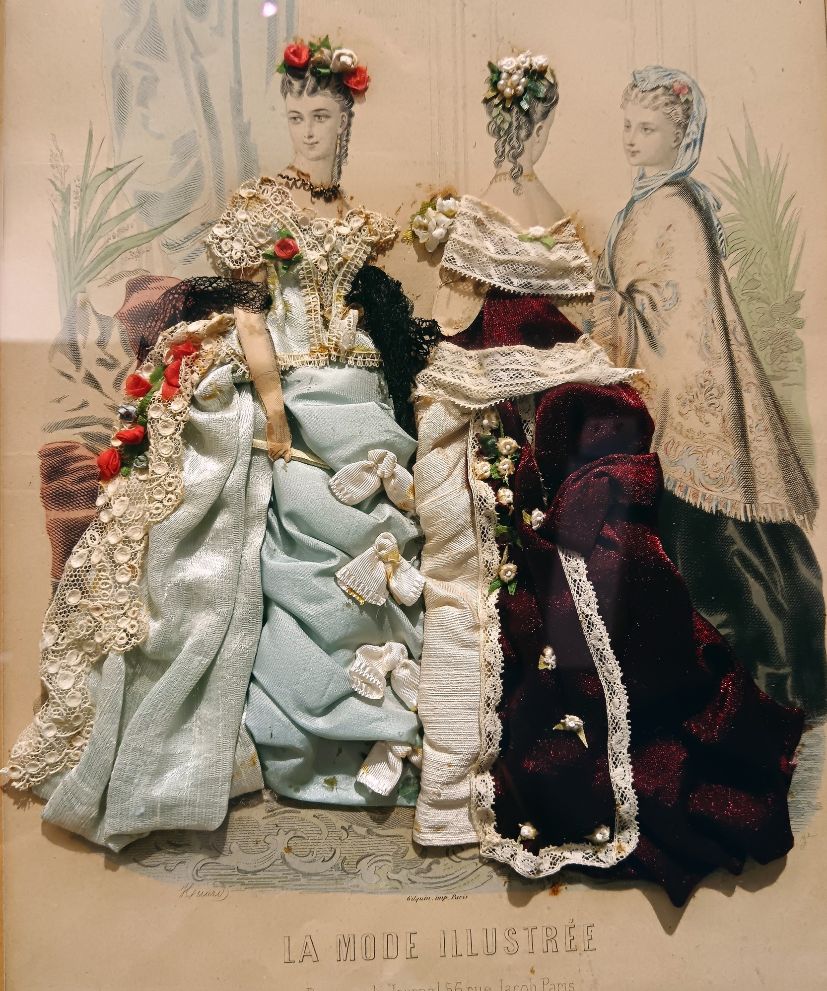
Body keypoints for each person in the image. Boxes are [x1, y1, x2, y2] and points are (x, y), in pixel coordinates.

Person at [1, 36, 433, 849]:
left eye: (323, 117)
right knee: (266, 542)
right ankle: (282, 738)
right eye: (297, 117)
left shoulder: (357, 219)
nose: (310, 132)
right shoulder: (263, 208)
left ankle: (369, 726)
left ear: (346, 122)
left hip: (361, 390)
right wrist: (273, 408)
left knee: (378, 540)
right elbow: (249, 316)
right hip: (290, 382)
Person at [411, 52, 803, 906]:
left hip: (545, 384)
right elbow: (499, 313)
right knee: (532, 543)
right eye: (522, 123)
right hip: (518, 389)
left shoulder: (599, 210)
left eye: (529, 123)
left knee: (590, 538)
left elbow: (509, 315)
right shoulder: (525, 212)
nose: (524, 136)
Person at [590, 65, 826, 719]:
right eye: (628, 126)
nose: (632, 139)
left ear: (679, 137)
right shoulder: (651, 202)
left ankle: (740, 682)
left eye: (648, 129)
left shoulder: (674, 206)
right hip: (656, 373)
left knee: (707, 547)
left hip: (681, 388)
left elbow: (675, 312)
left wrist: (607, 307)